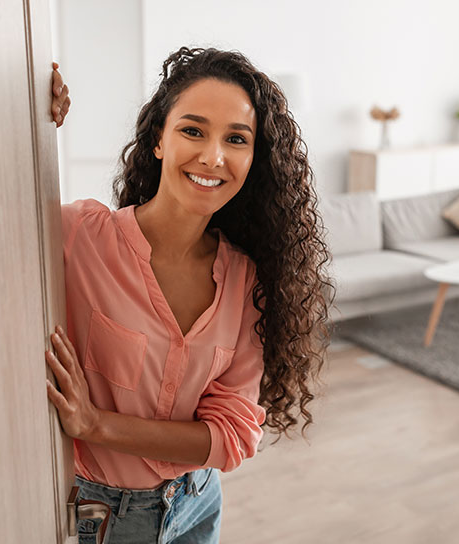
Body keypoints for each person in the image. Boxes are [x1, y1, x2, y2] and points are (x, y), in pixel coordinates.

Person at [44, 47, 334, 544]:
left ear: (252, 159)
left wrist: (96, 424)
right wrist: (27, 118)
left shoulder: (246, 280)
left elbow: (232, 437)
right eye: (192, 130)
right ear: (159, 139)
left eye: (236, 139)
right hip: (100, 513)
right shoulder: (78, 236)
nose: (213, 156)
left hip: (197, 503)